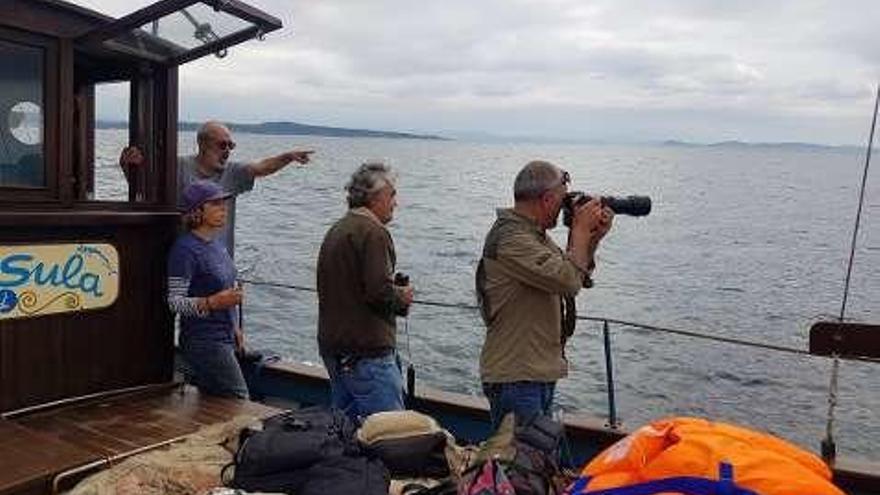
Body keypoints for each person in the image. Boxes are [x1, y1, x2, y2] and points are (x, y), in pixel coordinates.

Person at [476, 160, 614, 429]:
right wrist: (581, 229)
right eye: (563, 201)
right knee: (520, 465)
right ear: (547, 199)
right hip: (517, 376)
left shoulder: (532, 235)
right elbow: (568, 281)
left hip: (532, 372)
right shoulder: (511, 239)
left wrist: (593, 237)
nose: (566, 208)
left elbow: (573, 272)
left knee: (533, 464)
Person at [119, 120, 314, 256]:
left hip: (218, 259)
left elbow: (262, 167)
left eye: (231, 145)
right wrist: (129, 167)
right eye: (222, 145)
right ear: (202, 145)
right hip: (185, 257)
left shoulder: (233, 173)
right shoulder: (177, 167)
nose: (228, 150)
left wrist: (288, 156)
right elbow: (146, 191)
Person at [316, 161, 414, 421]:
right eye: (392, 194)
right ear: (374, 197)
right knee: (389, 433)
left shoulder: (337, 229)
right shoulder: (374, 233)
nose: (396, 202)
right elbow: (378, 292)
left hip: (335, 349)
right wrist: (402, 296)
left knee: (345, 433)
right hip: (365, 355)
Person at [167, 180, 248, 399]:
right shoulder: (184, 251)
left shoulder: (217, 245)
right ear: (197, 211)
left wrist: (235, 329)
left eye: (224, 203)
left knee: (213, 401)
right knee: (239, 400)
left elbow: (227, 289)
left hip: (224, 338)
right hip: (204, 341)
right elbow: (174, 302)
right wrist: (212, 303)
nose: (224, 208)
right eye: (215, 204)